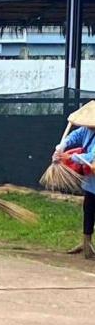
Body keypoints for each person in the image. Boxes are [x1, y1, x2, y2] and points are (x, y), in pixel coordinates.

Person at [52, 101, 95, 259]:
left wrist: (70, 156)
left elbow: (91, 157)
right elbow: (74, 135)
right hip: (91, 183)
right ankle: (86, 242)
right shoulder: (86, 130)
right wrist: (62, 145)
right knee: (88, 210)